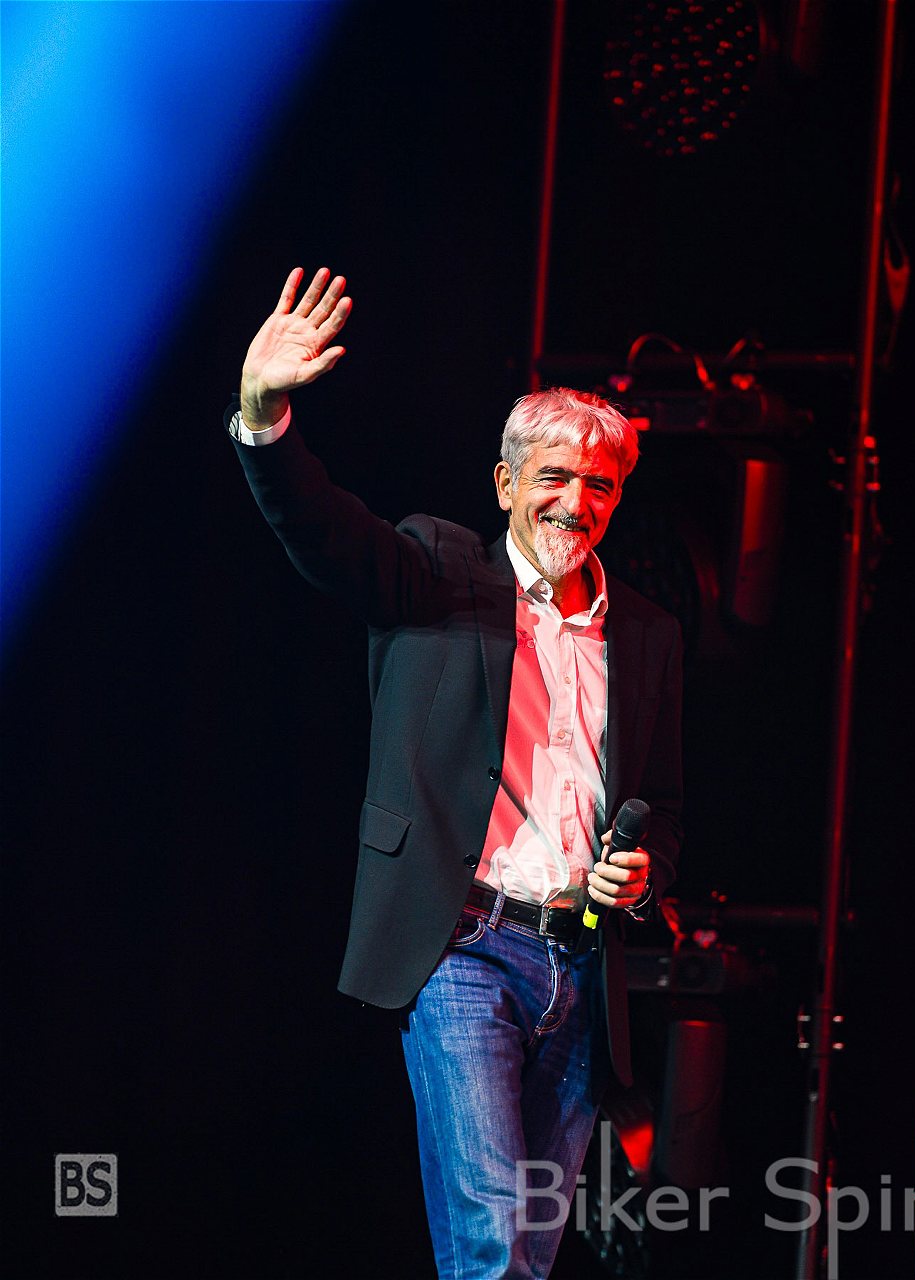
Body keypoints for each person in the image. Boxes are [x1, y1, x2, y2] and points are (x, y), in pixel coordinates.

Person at [227, 267, 683, 1279]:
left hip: (581, 967)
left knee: (527, 1253)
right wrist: (264, 417)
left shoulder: (648, 633)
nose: (575, 503)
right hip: (465, 948)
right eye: (553, 478)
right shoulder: (435, 571)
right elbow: (320, 529)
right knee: (490, 1242)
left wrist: (643, 870)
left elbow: (666, 806)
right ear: (507, 485)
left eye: (600, 485)